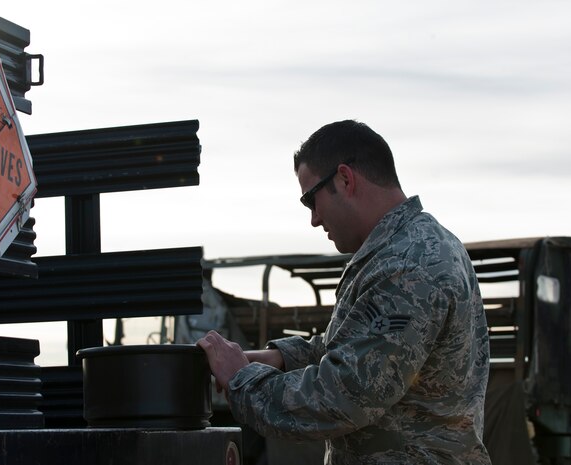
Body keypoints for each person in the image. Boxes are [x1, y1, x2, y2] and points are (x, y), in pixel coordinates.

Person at [197, 120, 491, 465]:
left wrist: (241, 379)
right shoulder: (406, 249)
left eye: (311, 200)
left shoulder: (408, 265)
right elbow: (361, 344)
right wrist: (279, 358)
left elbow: (342, 396)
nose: (314, 219)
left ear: (345, 179)